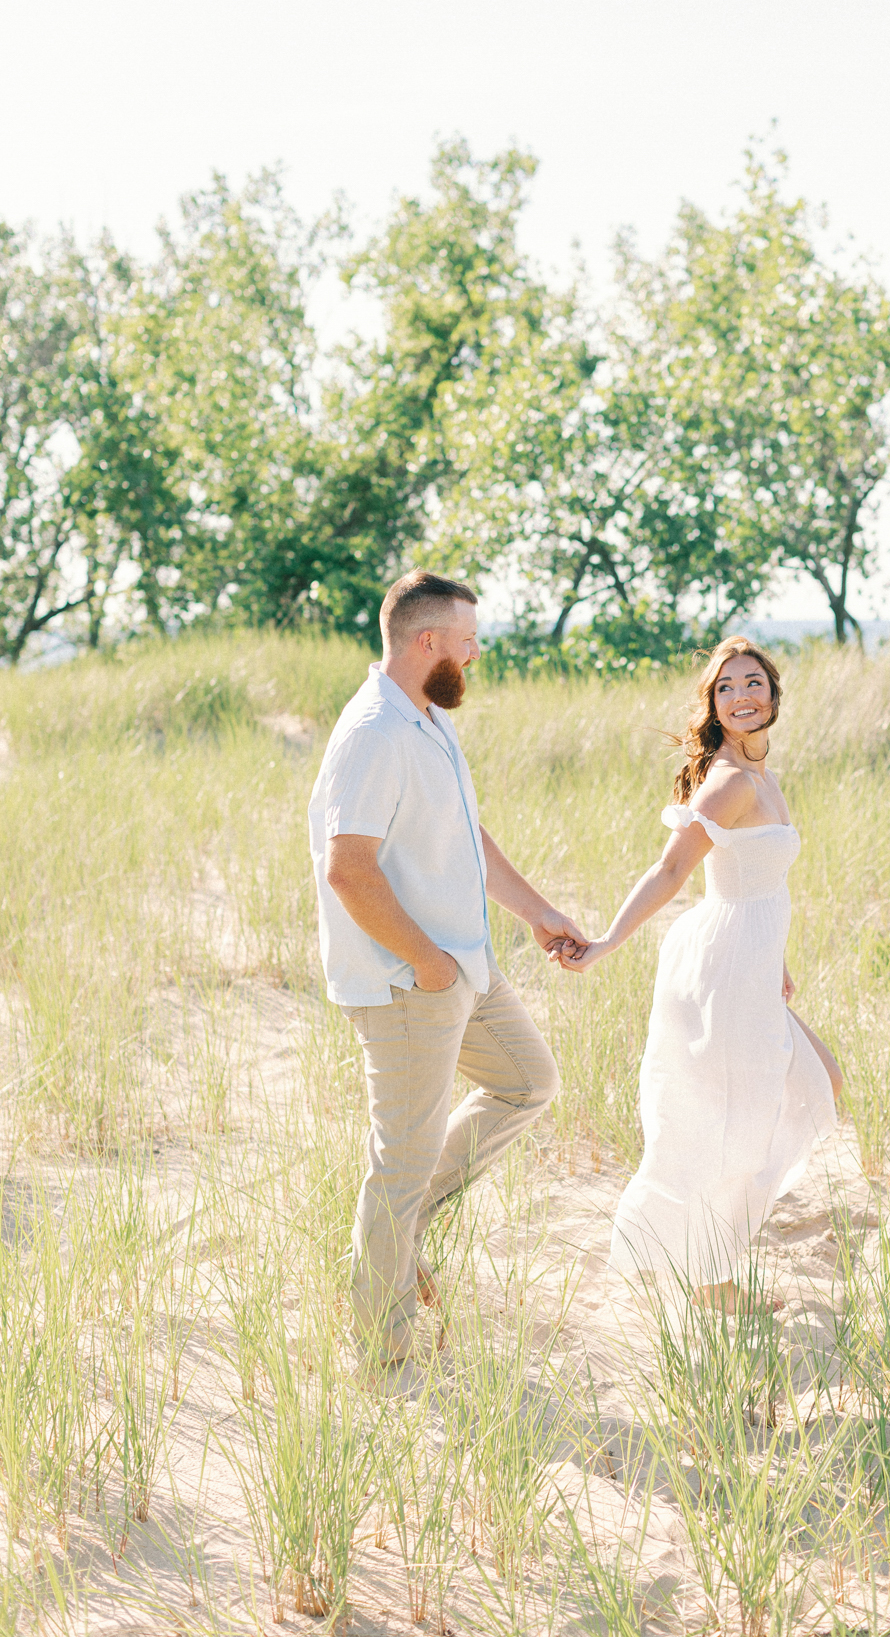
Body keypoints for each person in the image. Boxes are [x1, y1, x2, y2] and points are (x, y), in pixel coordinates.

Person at [308, 570, 585, 1361]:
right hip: (409, 980)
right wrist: (429, 966)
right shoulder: (372, 734)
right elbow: (348, 869)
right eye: (468, 640)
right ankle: (381, 1349)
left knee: (529, 1081)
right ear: (428, 643)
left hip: (466, 965)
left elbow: (467, 835)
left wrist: (538, 913)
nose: (477, 652)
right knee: (399, 1165)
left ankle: (394, 1242)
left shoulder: (426, 717)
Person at [560, 636, 842, 1312]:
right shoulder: (729, 782)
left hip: (751, 959)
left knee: (807, 1085)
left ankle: (705, 1263)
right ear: (714, 706)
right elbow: (670, 870)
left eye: (753, 683)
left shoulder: (764, 774)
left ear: (773, 693)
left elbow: (756, 880)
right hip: (719, 964)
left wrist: (777, 960)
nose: (742, 696)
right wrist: (604, 942)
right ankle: (705, 1276)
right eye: (726, 688)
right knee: (734, 1115)